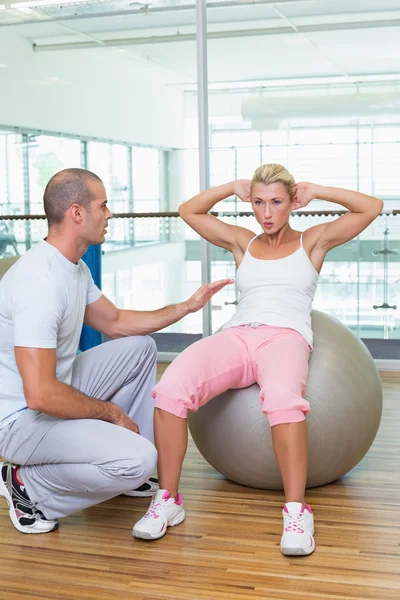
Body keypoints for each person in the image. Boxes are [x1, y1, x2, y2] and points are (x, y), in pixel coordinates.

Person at [133, 163, 383, 556]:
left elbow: (371, 207)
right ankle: (168, 500)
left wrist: (318, 189)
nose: (266, 213)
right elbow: (189, 211)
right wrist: (231, 187)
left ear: (292, 203)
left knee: (283, 400)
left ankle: (297, 512)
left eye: (277, 202)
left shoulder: (313, 241)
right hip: (238, 335)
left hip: (285, 338)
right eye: (259, 202)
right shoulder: (242, 242)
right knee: (170, 388)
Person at [0, 168, 232, 534]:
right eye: (103, 205)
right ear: (77, 213)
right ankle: (29, 486)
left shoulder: (72, 269)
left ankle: (118, 468)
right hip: (18, 421)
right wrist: (110, 413)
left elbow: (117, 321)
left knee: (139, 349)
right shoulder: (38, 283)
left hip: (51, 390)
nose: (110, 214)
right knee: (141, 459)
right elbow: (40, 394)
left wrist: (185, 307)